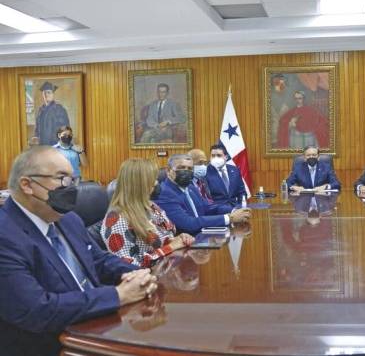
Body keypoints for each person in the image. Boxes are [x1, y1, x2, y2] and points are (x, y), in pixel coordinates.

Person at [0, 146, 157, 356]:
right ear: (27, 185)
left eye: (73, 180)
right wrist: (117, 295)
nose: (72, 188)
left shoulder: (68, 219)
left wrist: (136, 273)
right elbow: (36, 310)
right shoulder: (5, 235)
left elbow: (98, 260)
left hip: (101, 324)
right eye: (62, 179)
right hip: (55, 344)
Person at [101, 158, 194, 268]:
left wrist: (179, 239)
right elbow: (128, 267)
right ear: (140, 184)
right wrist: (170, 248)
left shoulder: (151, 205)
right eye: (153, 179)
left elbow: (164, 238)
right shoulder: (117, 219)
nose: (156, 183)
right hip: (143, 280)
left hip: (166, 268)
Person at [154, 154, 251, 235]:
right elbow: (188, 224)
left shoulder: (190, 187)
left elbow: (209, 208)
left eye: (190, 168)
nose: (186, 171)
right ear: (168, 171)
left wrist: (235, 210)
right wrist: (230, 218)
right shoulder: (164, 193)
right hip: (186, 243)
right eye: (181, 168)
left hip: (203, 237)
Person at [33, 81, 70, 146]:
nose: (46, 95)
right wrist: (36, 137)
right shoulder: (40, 111)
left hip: (55, 145)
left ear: (53, 94)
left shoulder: (59, 109)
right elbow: (37, 129)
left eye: (49, 92)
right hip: (42, 146)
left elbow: (65, 129)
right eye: (44, 93)